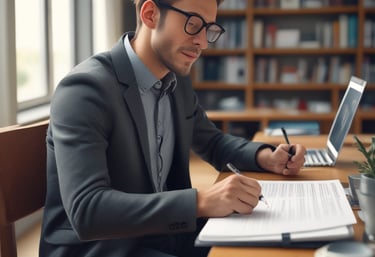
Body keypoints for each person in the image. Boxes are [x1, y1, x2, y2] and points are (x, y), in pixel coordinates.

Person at [39, 0, 306, 256]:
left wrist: (267, 157)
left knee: (283, 243)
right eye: (193, 23)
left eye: (209, 28)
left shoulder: (175, 81)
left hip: (163, 235)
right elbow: (88, 210)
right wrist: (200, 201)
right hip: (104, 249)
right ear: (150, 14)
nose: (202, 41)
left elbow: (212, 142)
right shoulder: (85, 90)